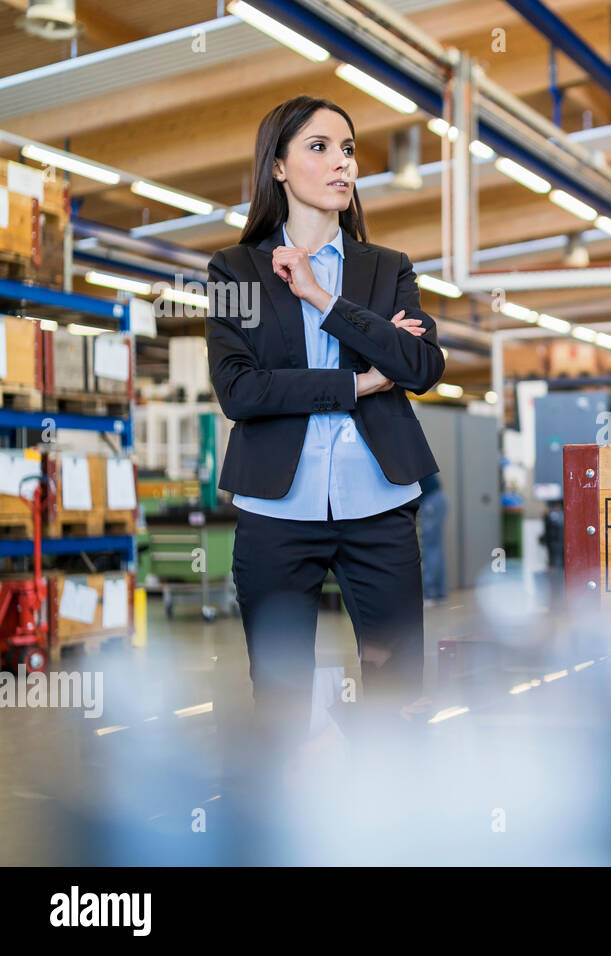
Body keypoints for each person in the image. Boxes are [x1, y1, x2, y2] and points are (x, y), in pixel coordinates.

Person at [204, 96, 446, 755]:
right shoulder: (235, 270)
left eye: (347, 148)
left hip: (382, 504)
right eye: (319, 146)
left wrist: (322, 297)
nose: (342, 161)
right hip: (276, 509)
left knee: (400, 699)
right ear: (277, 166)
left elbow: (422, 366)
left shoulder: (386, 268)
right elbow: (240, 390)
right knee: (281, 703)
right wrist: (360, 381)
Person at [417, 472, 448, 606]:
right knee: (436, 548)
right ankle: (439, 592)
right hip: (438, 499)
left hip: (431, 502)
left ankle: (430, 594)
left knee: (431, 549)